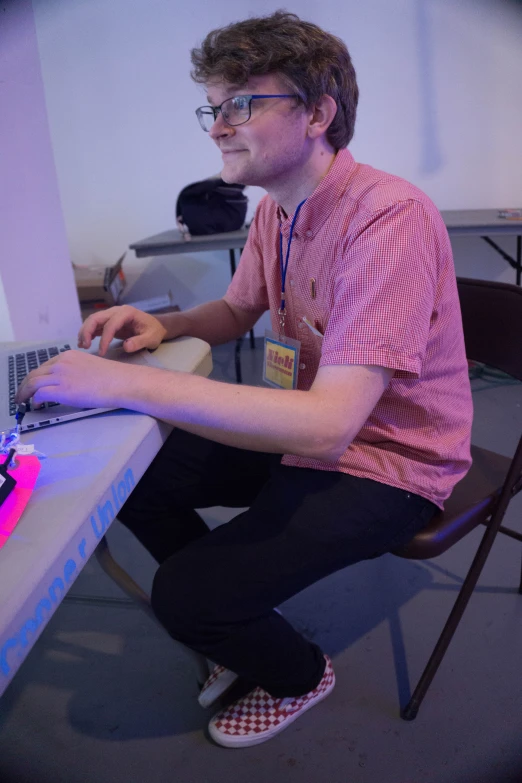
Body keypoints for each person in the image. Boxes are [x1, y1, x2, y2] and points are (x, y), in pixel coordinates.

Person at [16, 11, 473, 748]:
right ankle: (240, 613)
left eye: (241, 104)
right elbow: (237, 307)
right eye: (214, 107)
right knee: (137, 474)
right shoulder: (277, 211)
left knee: (184, 597)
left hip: (392, 464)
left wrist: (123, 384)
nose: (218, 126)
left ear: (318, 113)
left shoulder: (389, 220)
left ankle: (296, 671)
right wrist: (168, 325)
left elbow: (330, 425)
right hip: (310, 434)